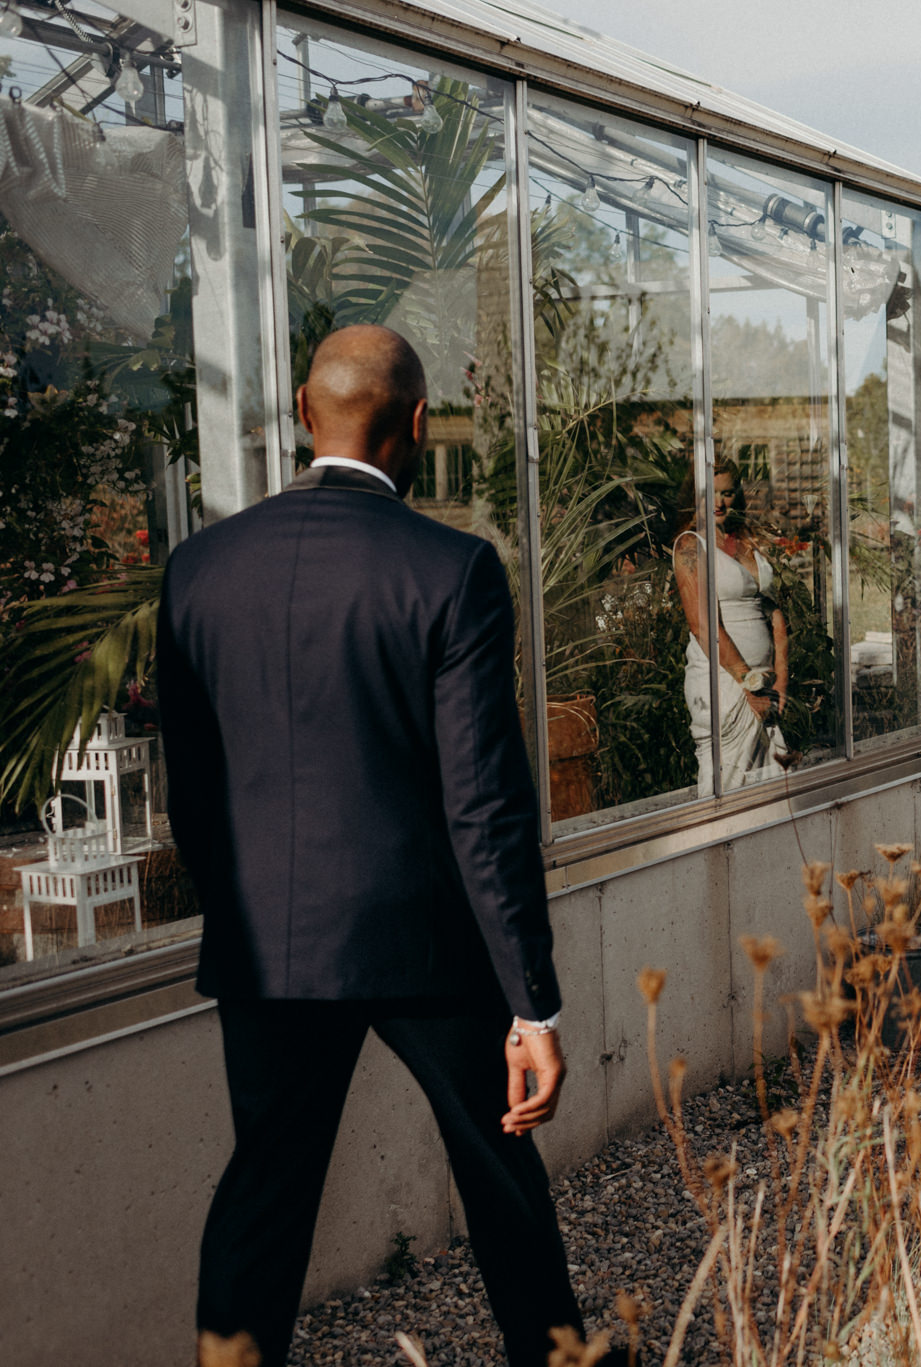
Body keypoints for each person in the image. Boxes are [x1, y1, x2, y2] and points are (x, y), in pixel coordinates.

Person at [159, 325, 588, 1366]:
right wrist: (531, 1000)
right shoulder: (451, 570)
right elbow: (483, 803)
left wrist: (245, 914)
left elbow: (194, 792)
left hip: (270, 947)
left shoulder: (198, 568)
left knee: (263, 1181)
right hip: (424, 946)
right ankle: (562, 1359)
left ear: (306, 413)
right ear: (418, 426)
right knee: (498, 1172)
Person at [672, 459, 790, 789]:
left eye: (726, 493)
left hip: (764, 685)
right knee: (728, 784)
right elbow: (703, 627)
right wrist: (749, 685)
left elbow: (775, 614)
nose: (719, 502)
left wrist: (780, 678)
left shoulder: (746, 541)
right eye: (710, 493)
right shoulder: (690, 546)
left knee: (771, 787)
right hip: (725, 684)